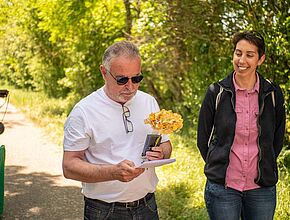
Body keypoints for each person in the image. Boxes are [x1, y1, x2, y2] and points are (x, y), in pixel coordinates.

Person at [62, 40, 172, 220]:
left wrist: (162, 153)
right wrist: (112, 172)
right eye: (122, 79)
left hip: (147, 206)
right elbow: (69, 167)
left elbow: (166, 144)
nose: (130, 86)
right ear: (104, 72)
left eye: (136, 78)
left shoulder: (149, 102)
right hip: (103, 211)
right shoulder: (84, 111)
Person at [197, 30, 286, 220]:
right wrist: (218, 165)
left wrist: (264, 163)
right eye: (238, 53)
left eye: (249, 55)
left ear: (260, 59)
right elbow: (202, 139)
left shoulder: (273, 94)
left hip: (261, 188)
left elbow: (276, 140)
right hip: (223, 188)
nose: (242, 60)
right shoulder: (216, 92)